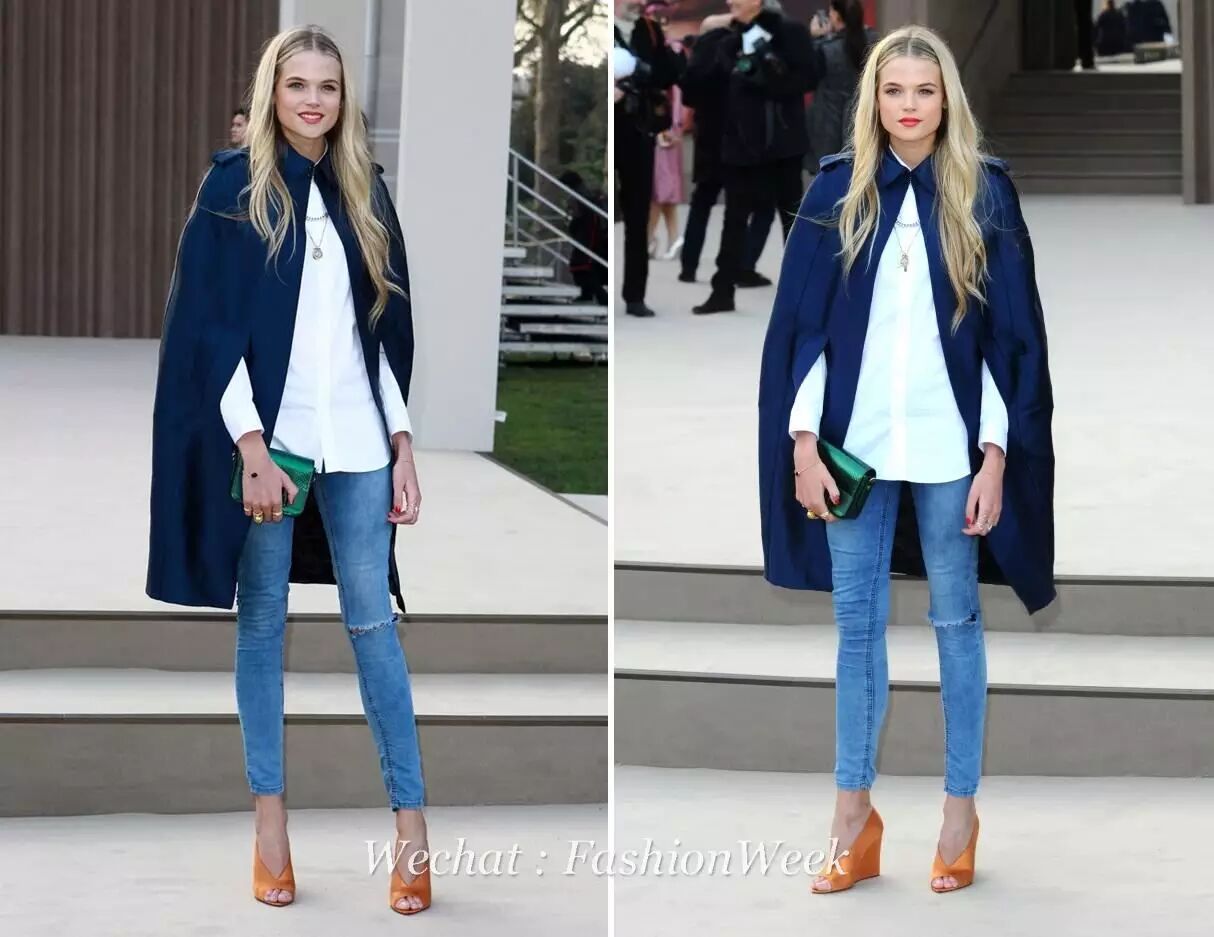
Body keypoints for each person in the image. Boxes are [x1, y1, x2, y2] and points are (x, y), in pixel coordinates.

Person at [757, 25, 1055, 895]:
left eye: (925, 90)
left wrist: (995, 456)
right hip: (852, 445)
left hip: (948, 444)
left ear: (946, 99)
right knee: (856, 629)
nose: (910, 105)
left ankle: (959, 812)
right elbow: (801, 331)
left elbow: (1011, 340)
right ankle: (852, 817)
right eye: (895, 91)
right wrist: (803, 444)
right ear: (874, 101)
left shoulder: (984, 193)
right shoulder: (834, 191)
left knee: (956, 622)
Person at [147, 25, 432, 915]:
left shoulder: (364, 188)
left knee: (374, 625)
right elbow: (207, 329)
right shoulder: (233, 189)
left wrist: (402, 440)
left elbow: (382, 329)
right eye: (298, 83)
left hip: (359, 441)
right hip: (274, 444)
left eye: (329, 86)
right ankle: (270, 827)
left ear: (345, 99)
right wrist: (251, 445)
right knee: (262, 623)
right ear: (272, 91)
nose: (314, 100)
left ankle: (412, 830)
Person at [687, 0, 816, 315]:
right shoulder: (726, 39)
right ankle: (722, 292)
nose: (731, 2)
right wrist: (709, 41)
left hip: (781, 143)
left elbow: (807, 78)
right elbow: (698, 88)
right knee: (733, 221)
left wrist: (765, 73)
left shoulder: (790, 32)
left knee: (791, 221)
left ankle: (803, 295)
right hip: (740, 145)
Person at [678, 12, 778, 287]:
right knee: (744, 208)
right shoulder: (740, 48)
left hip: (708, 136)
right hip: (738, 136)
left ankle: (688, 266)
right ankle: (739, 267)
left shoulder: (701, 55)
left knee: (701, 202)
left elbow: (688, 95)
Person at [615, 0, 684, 317]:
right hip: (611, 125)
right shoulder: (608, 29)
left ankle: (635, 295)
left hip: (639, 128)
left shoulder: (650, 29)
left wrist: (668, 55)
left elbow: (667, 76)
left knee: (638, 213)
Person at [805, 0, 879, 172]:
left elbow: (807, 79)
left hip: (826, 123)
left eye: (831, 11)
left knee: (829, 177)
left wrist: (816, 39)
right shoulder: (874, 41)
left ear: (836, 15)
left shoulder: (825, 47)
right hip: (863, 118)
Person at [648, 81, 686, 260]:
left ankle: (649, 238)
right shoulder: (675, 88)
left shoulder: (665, 87)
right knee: (664, 194)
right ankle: (674, 237)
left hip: (661, 141)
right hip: (668, 140)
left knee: (658, 193)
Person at [560, 170, 609, 305]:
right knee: (586, 266)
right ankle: (587, 293)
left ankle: (601, 296)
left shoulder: (579, 197)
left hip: (588, 235)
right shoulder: (588, 194)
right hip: (594, 235)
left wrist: (572, 225)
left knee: (583, 265)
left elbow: (577, 218)